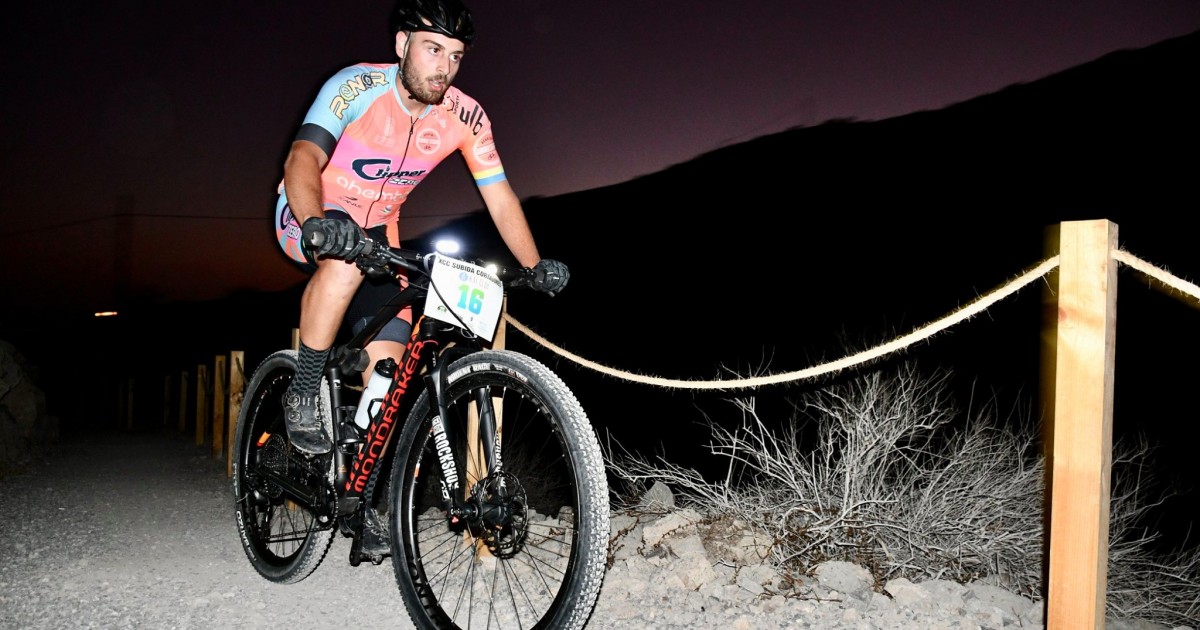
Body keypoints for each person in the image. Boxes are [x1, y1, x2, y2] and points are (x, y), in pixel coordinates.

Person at [273, 0, 569, 455]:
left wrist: (533, 264)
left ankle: (361, 494)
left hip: (379, 233)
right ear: (401, 44)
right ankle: (303, 391)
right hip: (309, 212)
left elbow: (500, 195)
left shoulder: (465, 116)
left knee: (388, 379)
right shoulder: (355, 87)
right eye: (432, 50)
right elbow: (303, 158)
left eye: (455, 56)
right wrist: (316, 221)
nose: (444, 68)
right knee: (343, 261)